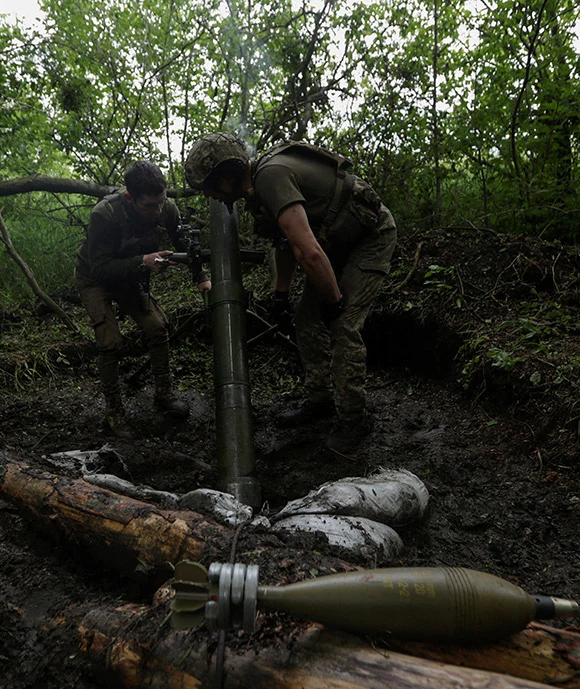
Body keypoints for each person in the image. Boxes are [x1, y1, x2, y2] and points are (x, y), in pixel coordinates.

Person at [184, 133, 397, 453]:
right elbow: (284, 243)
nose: (212, 198)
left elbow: (308, 252)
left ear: (226, 176)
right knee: (306, 316)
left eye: (211, 189)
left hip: (370, 239)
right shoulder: (257, 193)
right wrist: (281, 296)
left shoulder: (270, 177)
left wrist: (336, 301)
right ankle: (320, 398)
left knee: (343, 323)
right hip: (335, 246)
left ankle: (353, 417)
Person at [75, 160, 211, 438]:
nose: (158, 211)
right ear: (130, 198)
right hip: (95, 278)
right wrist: (143, 261)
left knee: (157, 327)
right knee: (111, 343)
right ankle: (115, 413)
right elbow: (100, 268)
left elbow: (184, 246)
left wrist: (201, 277)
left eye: (161, 202)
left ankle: (164, 394)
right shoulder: (105, 214)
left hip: (130, 277)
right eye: (150, 206)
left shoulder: (166, 209)